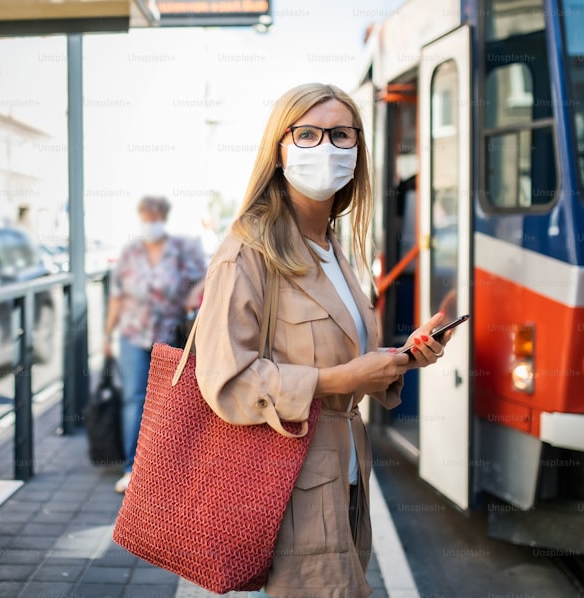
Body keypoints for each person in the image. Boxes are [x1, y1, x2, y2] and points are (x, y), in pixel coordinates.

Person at [193, 83, 451, 597]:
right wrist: (342, 378)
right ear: (280, 148)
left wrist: (400, 360)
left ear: (358, 149)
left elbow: (341, 355)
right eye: (307, 134)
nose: (326, 148)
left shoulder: (333, 246)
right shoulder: (248, 250)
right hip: (289, 481)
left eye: (340, 134)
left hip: (347, 474)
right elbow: (225, 382)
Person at [104, 195, 207, 494]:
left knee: (165, 402)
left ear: (164, 217)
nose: (151, 222)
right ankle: (131, 468)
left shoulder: (180, 251)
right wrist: (107, 335)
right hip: (132, 334)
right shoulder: (131, 253)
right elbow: (117, 295)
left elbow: (207, 276)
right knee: (134, 398)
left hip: (168, 334)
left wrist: (192, 296)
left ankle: (162, 467)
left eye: (156, 216)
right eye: (146, 217)